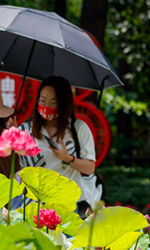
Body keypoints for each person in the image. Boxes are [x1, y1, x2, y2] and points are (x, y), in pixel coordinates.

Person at [18, 76, 97, 215]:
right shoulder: (24, 130)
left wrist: (68, 158)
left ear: (63, 104)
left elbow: (90, 168)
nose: (46, 107)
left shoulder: (78, 129)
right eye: (42, 101)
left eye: (52, 103)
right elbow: (14, 169)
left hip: (66, 206)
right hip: (32, 205)